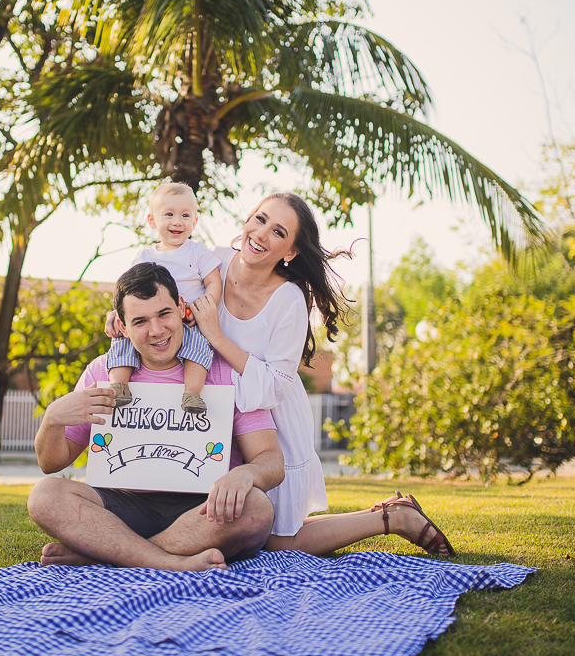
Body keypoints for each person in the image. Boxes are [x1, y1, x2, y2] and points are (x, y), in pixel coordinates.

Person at [190, 192, 456, 557]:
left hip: (272, 424)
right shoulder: (210, 262)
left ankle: (392, 518)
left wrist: (216, 336)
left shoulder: (288, 300)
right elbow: (157, 292)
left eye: (279, 232)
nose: (262, 233)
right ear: (248, 219)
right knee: (232, 525)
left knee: (279, 541)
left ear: (291, 252)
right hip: (215, 415)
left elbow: (276, 387)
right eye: (261, 219)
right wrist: (119, 316)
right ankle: (393, 514)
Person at [29, 262, 285, 571]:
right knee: (45, 496)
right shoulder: (102, 371)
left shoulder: (223, 369)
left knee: (256, 508)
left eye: (164, 314)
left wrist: (247, 474)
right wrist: (52, 419)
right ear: (121, 326)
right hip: (124, 506)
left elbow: (271, 459)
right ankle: (166, 561)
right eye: (140, 321)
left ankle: (107, 554)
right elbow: (51, 463)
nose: (156, 330)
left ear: (180, 307)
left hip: (204, 511)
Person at [104, 182, 223, 415]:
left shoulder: (197, 251)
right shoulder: (144, 256)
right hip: (153, 319)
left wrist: (204, 306)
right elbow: (128, 291)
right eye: (169, 214)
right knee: (122, 338)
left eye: (185, 215)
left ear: (194, 222)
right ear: (152, 221)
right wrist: (116, 314)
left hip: (189, 319)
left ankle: (192, 393)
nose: (177, 221)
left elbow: (214, 282)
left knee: (199, 347)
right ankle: (119, 386)